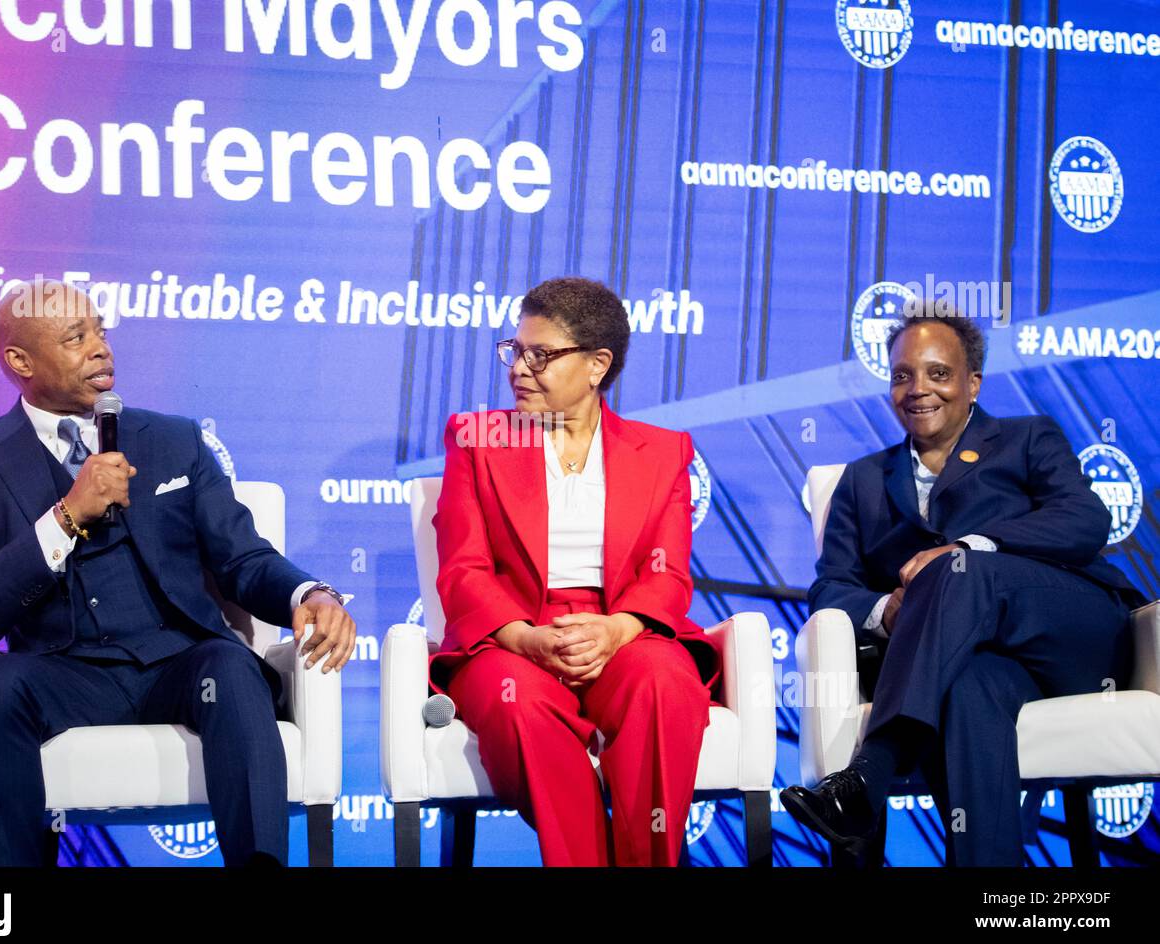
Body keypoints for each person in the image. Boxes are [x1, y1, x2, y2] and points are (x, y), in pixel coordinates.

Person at [0, 279, 356, 866]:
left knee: (232, 667)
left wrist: (310, 592)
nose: (101, 349)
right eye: (77, 338)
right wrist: (67, 515)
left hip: (182, 664)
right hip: (64, 675)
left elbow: (242, 557)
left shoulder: (173, 440)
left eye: (101, 331)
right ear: (20, 361)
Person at [781, 304, 1147, 866]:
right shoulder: (862, 481)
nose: (918, 388)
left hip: (1069, 637)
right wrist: (889, 612)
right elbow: (831, 588)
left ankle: (871, 773)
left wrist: (973, 547)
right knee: (970, 691)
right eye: (902, 375)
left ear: (972, 383)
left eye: (938, 373)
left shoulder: (1027, 439)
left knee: (956, 569)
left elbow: (1085, 521)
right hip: (964, 664)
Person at [429, 276, 720, 866]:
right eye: (515, 350)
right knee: (517, 705)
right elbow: (464, 570)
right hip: (509, 640)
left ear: (597, 365)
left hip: (620, 634)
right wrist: (526, 639)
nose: (518, 368)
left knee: (664, 682)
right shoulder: (477, 441)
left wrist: (616, 630)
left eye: (541, 355)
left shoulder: (663, 452)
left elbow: (666, 577)